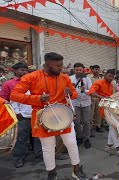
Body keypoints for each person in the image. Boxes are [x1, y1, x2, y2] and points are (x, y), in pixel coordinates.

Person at [10, 52, 87, 180]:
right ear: (47, 65)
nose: (60, 68)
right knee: (48, 148)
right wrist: (38, 98)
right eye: (57, 66)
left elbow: (74, 94)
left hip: (63, 114)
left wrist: (71, 93)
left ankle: (76, 169)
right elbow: (14, 95)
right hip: (42, 116)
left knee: (72, 143)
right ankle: (52, 172)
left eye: (61, 65)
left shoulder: (64, 78)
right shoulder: (31, 77)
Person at [88, 69, 119, 155]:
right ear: (105, 75)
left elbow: (111, 96)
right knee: (112, 126)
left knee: (112, 126)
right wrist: (101, 97)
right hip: (103, 108)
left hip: (110, 107)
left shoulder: (111, 85)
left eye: (112, 77)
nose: (111, 78)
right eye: (109, 76)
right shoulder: (99, 82)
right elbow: (91, 92)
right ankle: (117, 147)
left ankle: (109, 144)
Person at [11, 89, 43, 168]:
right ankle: (19, 158)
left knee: (38, 137)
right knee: (21, 138)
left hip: (37, 116)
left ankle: (39, 154)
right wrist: (17, 112)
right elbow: (13, 101)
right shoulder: (20, 88)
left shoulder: (38, 87)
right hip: (24, 117)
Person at [70, 63, 93, 149]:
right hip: (75, 103)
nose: (79, 71)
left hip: (86, 103)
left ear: (83, 70)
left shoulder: (87, 79)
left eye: (80, 70)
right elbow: (67, 91)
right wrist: (71, 88)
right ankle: (79, 137)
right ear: (74, 70)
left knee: (86, 122)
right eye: (77, 70)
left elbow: (91, 91)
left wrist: (85, 90)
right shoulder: (70, 78)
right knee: (77, 122)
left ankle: (87, 138)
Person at [87, 65, 103, 133]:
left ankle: (97, 126)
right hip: (91, 97)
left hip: (99, 97)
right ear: (92, 70)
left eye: (98, 69)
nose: (97, 71)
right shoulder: (88, 77)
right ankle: (90, 128)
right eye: (96, 69)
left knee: (98, 113)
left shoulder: (101, 78)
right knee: (91, 114)